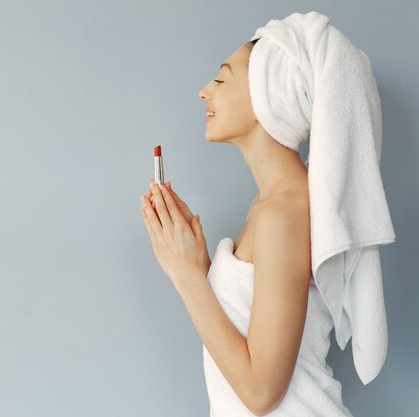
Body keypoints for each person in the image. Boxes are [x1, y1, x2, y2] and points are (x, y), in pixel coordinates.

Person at [138, 41, 349, 417]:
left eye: (222, 78)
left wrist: (187, 276)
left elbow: (261, 392)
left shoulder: (283, 212)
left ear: (269, 95)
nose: (205, 90)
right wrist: (196, 262)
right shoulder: (268, 205)